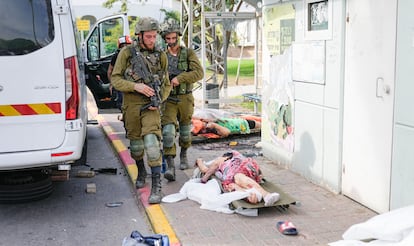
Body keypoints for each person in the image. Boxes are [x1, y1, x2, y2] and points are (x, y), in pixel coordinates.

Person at [111, 17, 172, 204]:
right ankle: (141, 170)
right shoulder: (127, 53)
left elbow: (166, 83)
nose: (152, 40)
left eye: (154, 36)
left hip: (151, 107)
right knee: (137, 148)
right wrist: (135, 87)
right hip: (132, 105)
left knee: (153, 146)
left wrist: (159, 99)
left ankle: (156, 188)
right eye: (149, 36)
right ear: (140, 36)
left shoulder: (161, 56)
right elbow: (115, 79)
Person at [159, 19, 204, 181]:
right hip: (168, 99)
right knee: (168, 133)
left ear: (178, 36)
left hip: (185, 98)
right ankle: (170, 164)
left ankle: (184, 154)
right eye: (168, 39)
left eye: (173, 38)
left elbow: (199, 73)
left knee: (185, 132)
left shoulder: (188, 53)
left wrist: (180, 78)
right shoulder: (161, 55)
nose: (171, 42)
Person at [194, 151, 280, 206]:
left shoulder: (228, 158)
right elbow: (206, 169)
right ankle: (253, 196)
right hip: (237, 177)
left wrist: (203, 180)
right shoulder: (222, 170)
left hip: (239, 170)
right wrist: (199, 161)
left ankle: (266, 195)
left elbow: (209, 168)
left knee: (238, 177)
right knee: (234, 185)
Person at [107, 35, 133, 112]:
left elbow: (110, 71)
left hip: (121, 84)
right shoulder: (134, 55)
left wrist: (112, 83)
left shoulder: (116, 56)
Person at [191, 115, 261, 138]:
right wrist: (215, 125)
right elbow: (227, 132)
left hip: (235, 119)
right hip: (243, 124)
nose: (206, 124)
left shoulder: (207, 122)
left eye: (204, 123)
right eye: (204, 127)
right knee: (263, 125)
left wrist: (203, 119)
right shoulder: (215, 130)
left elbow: (190, 117)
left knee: (260, 118)